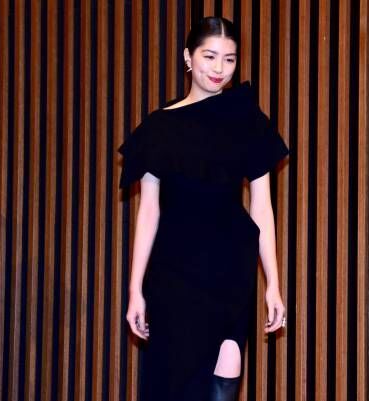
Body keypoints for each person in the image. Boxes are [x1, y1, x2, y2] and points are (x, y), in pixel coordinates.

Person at [118, 16, 289, 401]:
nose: (219, 69)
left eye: (229, 59)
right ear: (188, 57)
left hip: (230, 267)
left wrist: (273, 284)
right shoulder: (159, 127)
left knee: (223, 381)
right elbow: (148, 211)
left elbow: (262, 206)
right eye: (209, 56)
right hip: (174, 271)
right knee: (173, 383)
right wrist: (135, 288)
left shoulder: (246, 118)